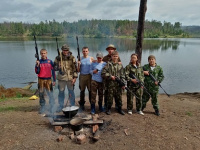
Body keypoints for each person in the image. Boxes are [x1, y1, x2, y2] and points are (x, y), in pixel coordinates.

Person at [54, 44, 78, 112]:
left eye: (66, 50)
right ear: (62, 50)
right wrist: (58, 66)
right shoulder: (58, 58)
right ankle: (61, 105)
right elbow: (54, 68)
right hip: (61, 78)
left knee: (71, 92)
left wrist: (75, 78)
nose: (65, 51)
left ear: (68, 50)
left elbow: (75, 69)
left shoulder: (72, 57)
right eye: (64, 50)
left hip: (70, 78)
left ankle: (72, 105)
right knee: (61, 92)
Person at [101, 51, 125, 115]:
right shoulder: (108, 64)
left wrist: (123, 83)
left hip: (118, 84)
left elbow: (122, 75)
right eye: (114, 56)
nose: (115, 57)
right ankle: (108, 109)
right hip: (110, 84)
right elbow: (103, 73)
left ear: (118, 57)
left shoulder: (120, 65)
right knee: (109, 98)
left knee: (119, 98)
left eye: (116, 56)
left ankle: (120, 109)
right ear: (111, 57)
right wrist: (110, 76)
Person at [35, 49, 56, 114]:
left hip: (48, 80)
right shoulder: (39, 62)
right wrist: (37, 65)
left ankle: (52, 107)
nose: (43, 54)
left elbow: (53, 71)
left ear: (46, 53)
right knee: (41, 94)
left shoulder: (50, 62)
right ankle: (42, 107)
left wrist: (54, 80)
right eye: (42, 53)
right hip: (41, 80)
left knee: (50, 94)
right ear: (40, 54)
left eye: (44, 53)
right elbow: (37, 72)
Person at [102, 44, 121, 110]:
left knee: (117, 94)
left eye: (111, 49)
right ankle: (106, 106)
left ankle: (117, 106)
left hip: (116, 79)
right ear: (107, 50)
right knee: (107, 94)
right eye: (109, 49)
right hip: (108, 79)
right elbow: (101, 66)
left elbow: (120, 67)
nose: (110, 50)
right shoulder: (105, 58)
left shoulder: (117, 57)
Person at [77, 47, 94, 111]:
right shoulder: (80, 58)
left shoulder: (91, 58)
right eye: (84, 51)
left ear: (88, 51)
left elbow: (95, 66)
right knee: (82, 91)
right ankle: (81, 105)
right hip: (82, 76)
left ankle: (91, 105)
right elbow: (78, 70)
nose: (85, 52)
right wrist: (78, 64)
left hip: (89, 76)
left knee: (90, 91)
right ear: (82, 52)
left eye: (86, 51)